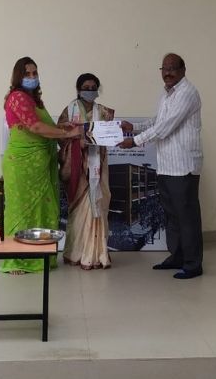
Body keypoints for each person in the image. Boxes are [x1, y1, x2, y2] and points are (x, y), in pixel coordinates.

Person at [118, 53, 204, 279]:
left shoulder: (187, 93)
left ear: (183, 70)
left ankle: (193, 264)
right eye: (164, 69)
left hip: (183, 166)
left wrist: (134, 141)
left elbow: (165, 127)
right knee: (172, 216)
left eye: (172, 68)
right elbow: (157, 121)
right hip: (166, 165)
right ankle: (177, 257)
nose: (167, 72)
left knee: (186, 216)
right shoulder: (167, 94)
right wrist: (133, 127)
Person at [1, 56, 82, 274]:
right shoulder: (17, 97)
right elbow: (35, 128)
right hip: (22, 164)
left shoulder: (34, 100)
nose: (32, 77)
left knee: (44, 209)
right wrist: (68, 133)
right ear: (18, 76)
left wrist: (63, 127)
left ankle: (41, 257)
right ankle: (16, 261)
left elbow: (45, 126)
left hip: (41, 165)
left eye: (34, 73)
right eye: (27, 74)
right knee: (21, 211)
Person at [57, 73, 115, 270]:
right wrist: (77, 144)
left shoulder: (104, 112)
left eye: (93, 88)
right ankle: (77, 252)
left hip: (98, 164)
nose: (90, 91)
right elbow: (60, 136)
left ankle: (97, 254)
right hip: (78, 168)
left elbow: (110, 135)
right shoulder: (69, 111)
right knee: (80, 208)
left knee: (98, 203)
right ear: (78, 89)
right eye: (86, 87)